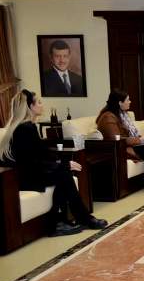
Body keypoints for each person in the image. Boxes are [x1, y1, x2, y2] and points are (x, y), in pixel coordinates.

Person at [0, 90, 107, 236]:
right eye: (38, 102)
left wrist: (62, 163)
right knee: (64, 174)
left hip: (30, 173)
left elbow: (41, 155)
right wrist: (63, 165)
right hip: (24, 178)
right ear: (30, 107)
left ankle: (68, 220)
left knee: (63, 174)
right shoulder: (25, 129)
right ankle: (75, 220)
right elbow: (32, 162)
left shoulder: (26, 127)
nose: (41, 105)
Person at [96, 89, 144, 192]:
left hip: (130, 145)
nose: (130, 102)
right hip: (122, 150)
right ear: (120, 103)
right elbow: (117, 140)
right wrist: (139, 140)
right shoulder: (108, 117)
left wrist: (141, 138)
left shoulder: (121, 114)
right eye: (127, 100)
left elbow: (129, 134)